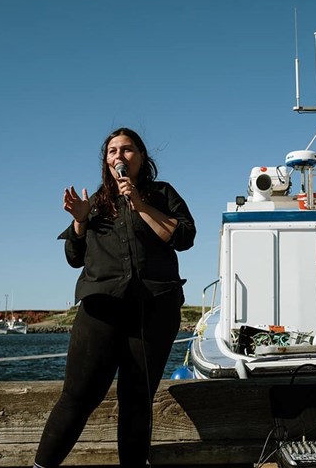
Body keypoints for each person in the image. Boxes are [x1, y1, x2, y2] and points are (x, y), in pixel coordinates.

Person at [34, 127, 196, 468]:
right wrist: (80, 222)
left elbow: (184, 237)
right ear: (105, 161)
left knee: (137, 399)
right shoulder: (93, 203)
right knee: (78, 396)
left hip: (154, 309)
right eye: (112, 151)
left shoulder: (162, 193)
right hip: (101, 308)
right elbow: (74, 258)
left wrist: (140, 204)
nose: (119, 156)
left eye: (127, 149)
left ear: (141, 156)